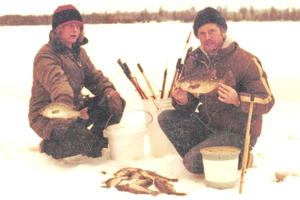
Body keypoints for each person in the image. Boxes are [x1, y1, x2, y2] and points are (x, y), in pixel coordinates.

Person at [158, 7, 275, 174]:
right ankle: (206, 155)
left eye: (212, 31)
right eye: (202, 33)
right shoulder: (194, 60)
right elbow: (187, 107)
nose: (207, 37)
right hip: (208, 125)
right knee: (166, 118)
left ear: (223, 31)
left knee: (192, 163)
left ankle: (239, 157)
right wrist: (183, 100)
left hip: (238, 133)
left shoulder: (246, 60)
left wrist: (237, 99)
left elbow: (268, 101)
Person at [28, 4, 126, 159]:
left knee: (114, 101)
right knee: (87, 144)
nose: (75, 30)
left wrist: (108, 90)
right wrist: (65, 106)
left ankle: (96, 141)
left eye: (78, 26)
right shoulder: (45, 56)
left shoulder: (78, 52)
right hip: (50, 116)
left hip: (76, 110)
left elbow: (94, 77)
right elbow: (58, 84)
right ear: (58, 29)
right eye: (69, 26)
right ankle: (50, 146)